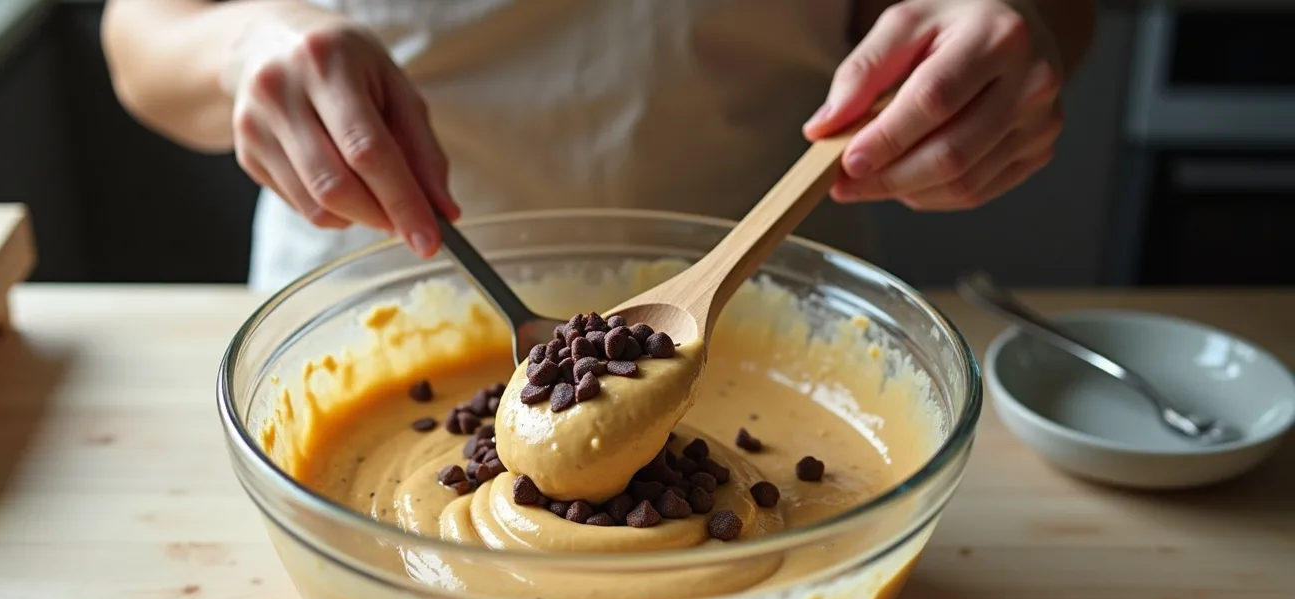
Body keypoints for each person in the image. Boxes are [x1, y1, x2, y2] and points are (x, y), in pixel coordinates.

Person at [102, 0, 1095, 293]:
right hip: (370, 292)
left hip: (764, 292)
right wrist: (245, 50)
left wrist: (1017, 36)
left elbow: (1042, 18)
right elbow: (141, 34)